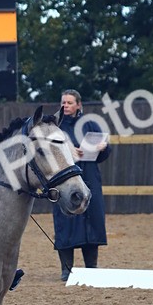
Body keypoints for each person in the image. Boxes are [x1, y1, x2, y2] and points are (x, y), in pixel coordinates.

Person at [52, 89, 110, 281]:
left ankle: (91, 268)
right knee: (66, 222)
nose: (65, 106)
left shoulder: (90, 124)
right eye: (63, 102)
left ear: (78, 104)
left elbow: (104, 152)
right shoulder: (55, 126)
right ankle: (66, 269)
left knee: (91, 220)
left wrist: (103, 148)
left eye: (69, 103)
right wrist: (69, 150)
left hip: (89, 176)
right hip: (64, 179)